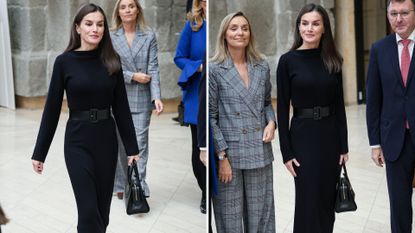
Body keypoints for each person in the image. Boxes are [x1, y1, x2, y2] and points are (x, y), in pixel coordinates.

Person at [30, 3, 139, 233]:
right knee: (88, 211)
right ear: (77, 28)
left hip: (106, 141)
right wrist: (40, 152)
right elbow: (51, 110)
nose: (95, 29)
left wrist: (132, 148)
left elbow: (121, 108)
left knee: (102, 212)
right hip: (77, 142)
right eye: (89, 24)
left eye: (100, 24)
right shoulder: (64, 62)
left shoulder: (112, 60)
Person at [276, 3, 348, 233]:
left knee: (327, 202)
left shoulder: (333, 60)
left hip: (329, 139)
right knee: (307, 202)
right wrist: (286, 152)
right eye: (305, 23)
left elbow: (339, 107)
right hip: (302, 139)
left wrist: (343, 147)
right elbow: (282, 109)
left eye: (315, 24)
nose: (309, 28)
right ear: (298, 27)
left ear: (324, 28)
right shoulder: (288, 61)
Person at [209, 11, 276, 233]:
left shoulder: (262, 66)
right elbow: (211, 117)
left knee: (261, 217)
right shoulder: (215, 69)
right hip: (230, 155)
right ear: (224, 34)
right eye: (234, 28)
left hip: (259, 149)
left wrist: (271, 123)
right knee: (230, 218)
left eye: (245, 28)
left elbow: (267, 102)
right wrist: (222, 156)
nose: (240, 32)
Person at [366, 0, 415, 232]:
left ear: (414, 14)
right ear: (387, 15)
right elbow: (373, 100)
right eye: (394, 13)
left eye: (404, 13)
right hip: (394, 139)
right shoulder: (379, 49)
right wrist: (375, 143)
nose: (399, 19)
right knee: (399, 205)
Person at [110, 0, 163, 199]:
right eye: (123, 7)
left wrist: (156, 96)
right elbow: (108, 66)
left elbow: (154, 68)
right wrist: (132, 76)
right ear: (118, 12)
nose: (127, 10)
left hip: (142, 98)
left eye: (131, 6)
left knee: (140, 144)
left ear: (137, 9)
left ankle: (138, 185)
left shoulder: (149, 35)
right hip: (117, 98)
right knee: (121, 144)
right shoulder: (111, 36)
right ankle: (121, 184)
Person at [174, 0, 207, 214]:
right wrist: (198, 66)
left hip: (223, 92)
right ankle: (205, 191)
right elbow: (179, 57)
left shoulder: (228, 24)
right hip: (197, 93)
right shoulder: (193, 25)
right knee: (199, 147)